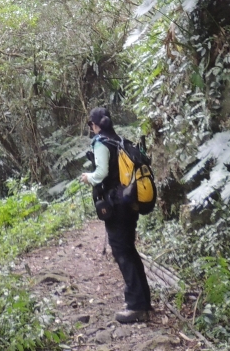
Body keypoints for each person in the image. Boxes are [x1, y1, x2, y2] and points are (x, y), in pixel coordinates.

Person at [80, 106, 152, 324]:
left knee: (122, 252)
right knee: (129, 250)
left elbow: (101, 173)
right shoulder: (119, 140)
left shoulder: (101, 142)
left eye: (91, 125)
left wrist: (88, 177)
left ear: (96, 125)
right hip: (129, 201)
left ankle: (136, 307)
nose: (92, 129)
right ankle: (143, 301)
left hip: (116, 205)